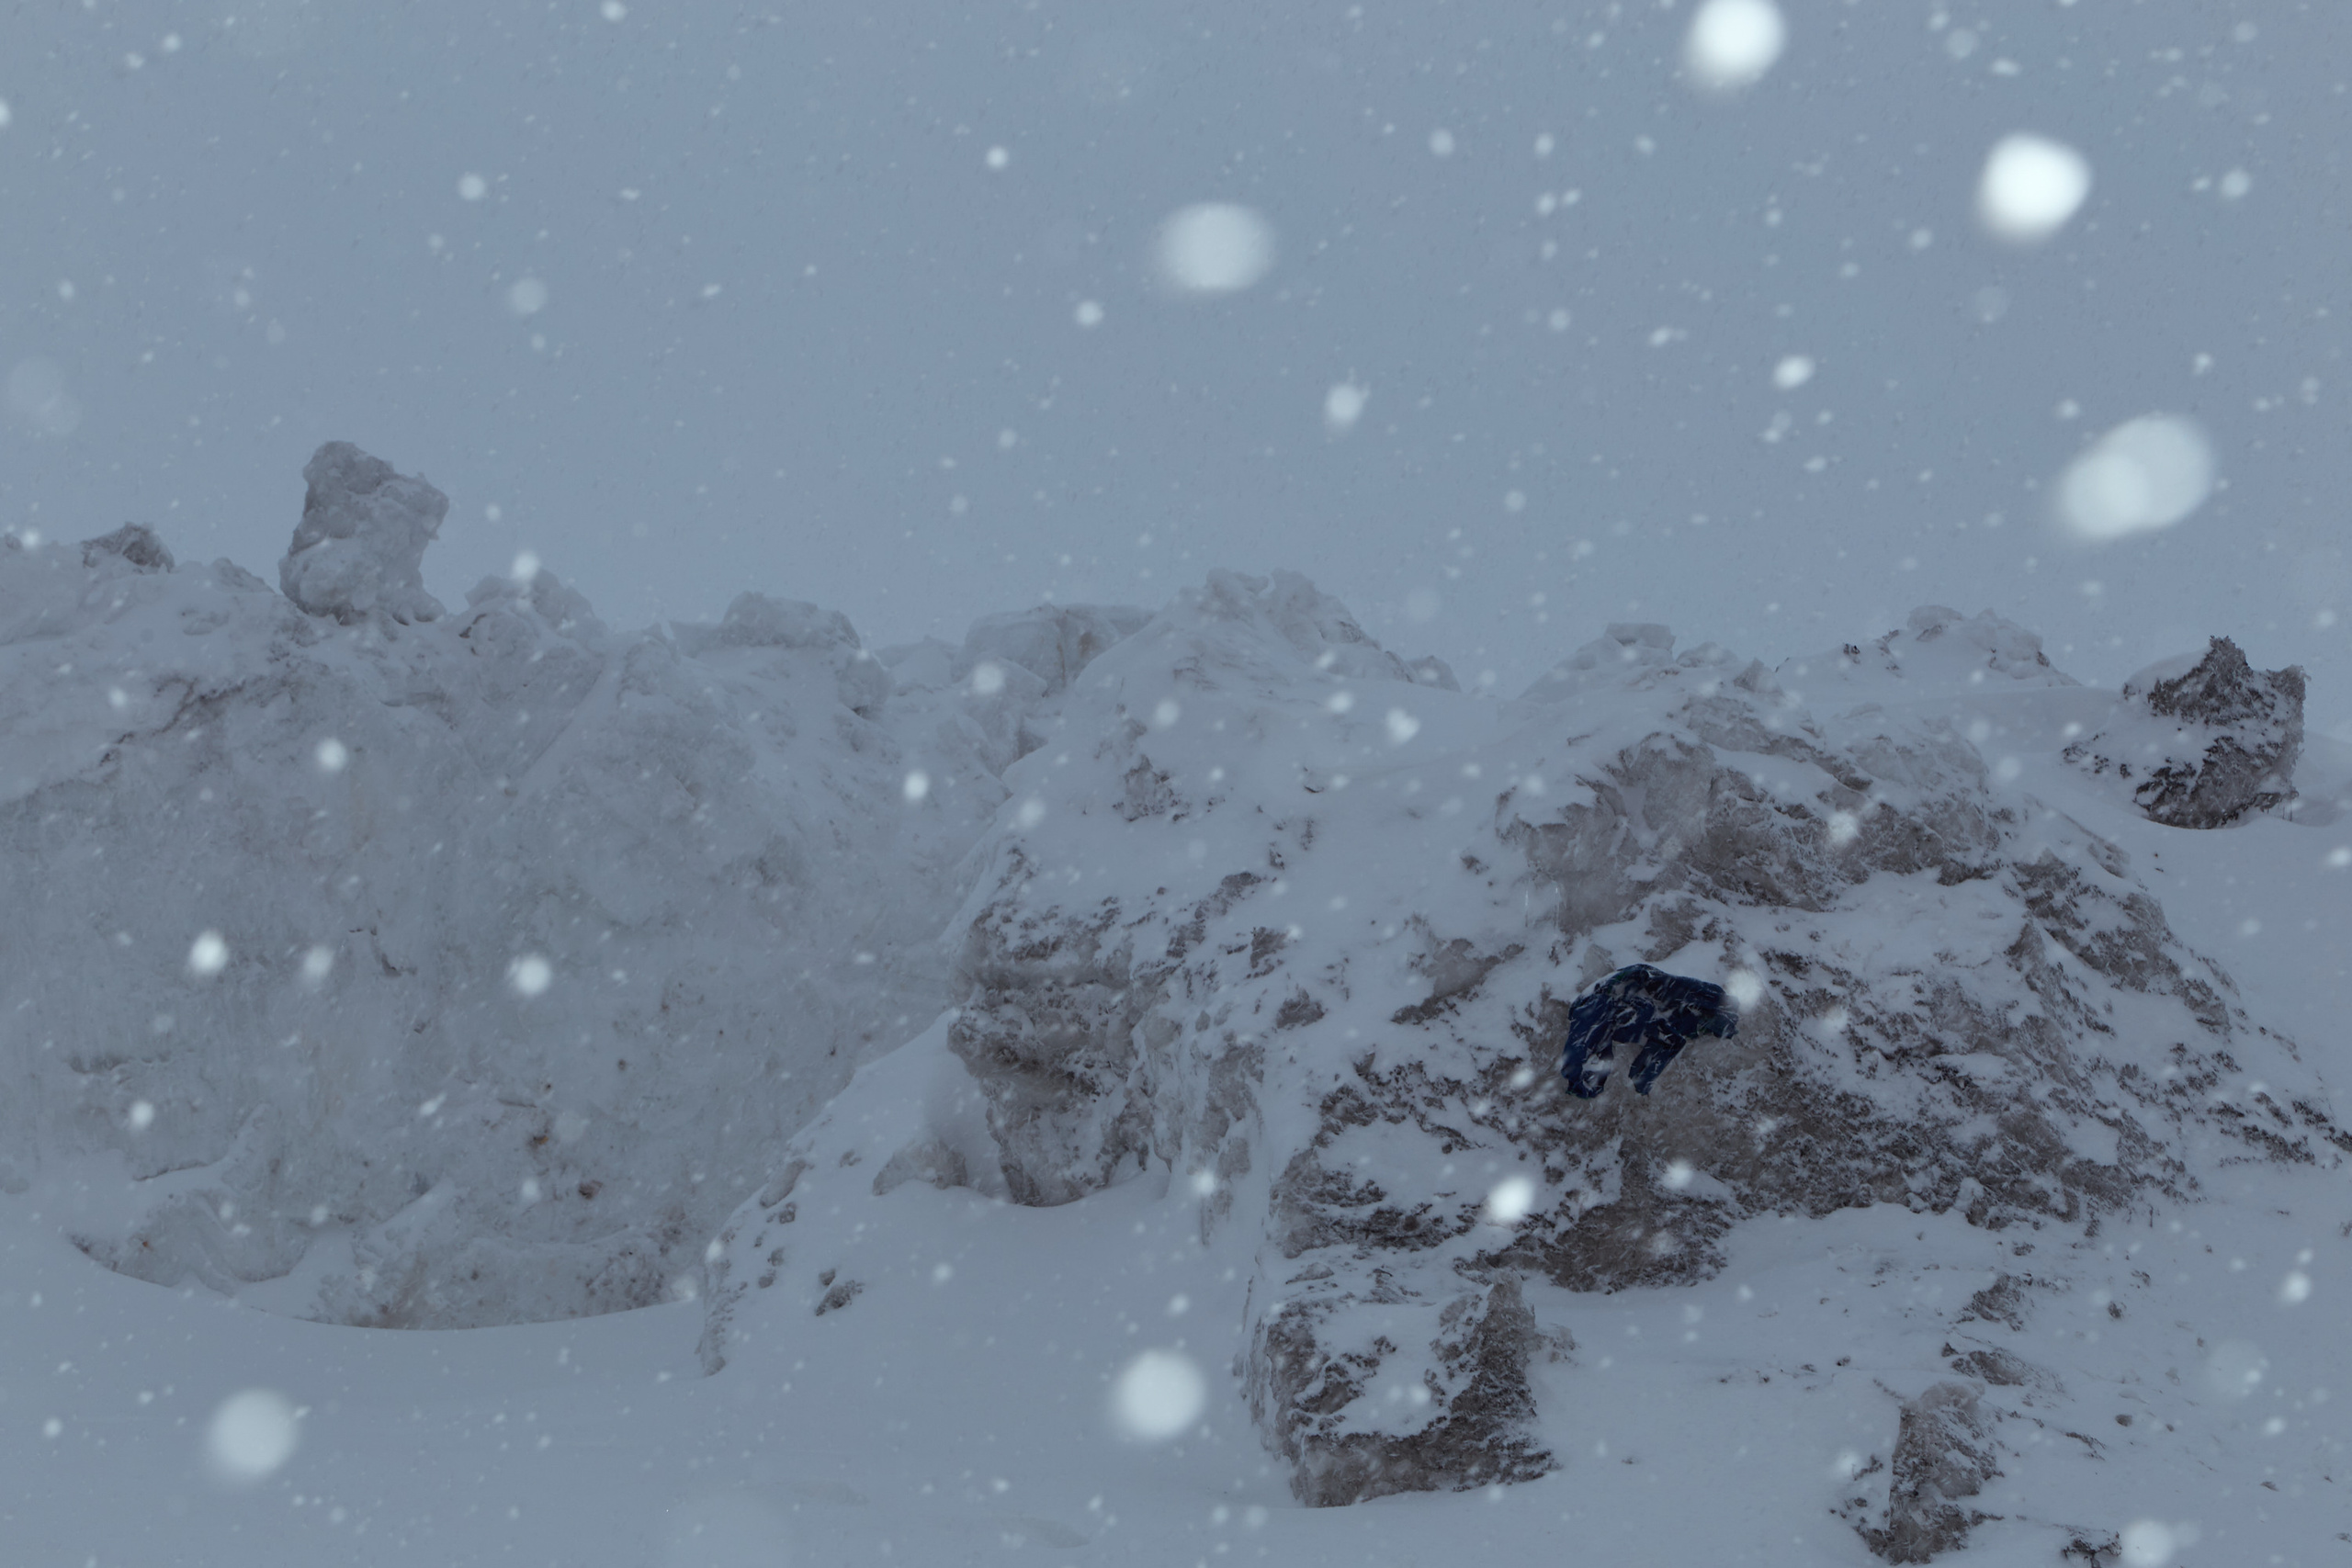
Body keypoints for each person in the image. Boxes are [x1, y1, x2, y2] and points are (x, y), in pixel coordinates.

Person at [1559, 964, 1738, 1099]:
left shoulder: (1597, 1010)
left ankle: (1712, 1012)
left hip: (1634, 994)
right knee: (1672, 1009)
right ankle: (1710, 1013)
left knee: (1671, 998)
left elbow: (1577, 1052)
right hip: (1639, 1003)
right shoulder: (1602, 1022)